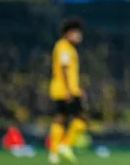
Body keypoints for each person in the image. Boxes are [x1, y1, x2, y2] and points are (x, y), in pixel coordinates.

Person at [47, 17, 88, 164]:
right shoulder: (64, 47)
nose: (79, 36)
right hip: (66, 90)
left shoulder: (65, 47)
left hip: (62, 89)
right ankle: (65, 145)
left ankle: (54, 153)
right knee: (81, 118)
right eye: (76, 33)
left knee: (60, 119)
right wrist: (70, 91)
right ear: (67, 33)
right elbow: (64, 69)